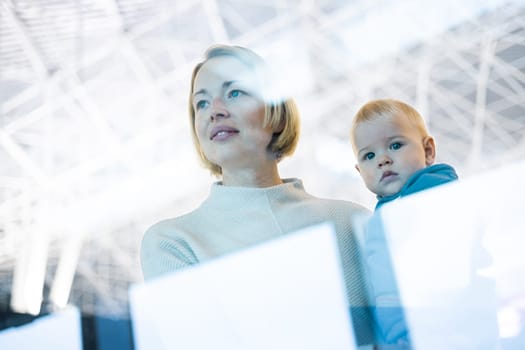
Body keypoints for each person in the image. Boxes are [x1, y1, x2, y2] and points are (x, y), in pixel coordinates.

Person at [141, 44, 375, 345]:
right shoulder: (172, 242)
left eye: (234, 93)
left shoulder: (350, 221)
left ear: (276, 113)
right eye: (201, 104)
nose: (215, 111)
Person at [350, 98, 459, 347]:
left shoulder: (436, 197)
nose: (383, 160)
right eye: (369, 155)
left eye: (395, 145)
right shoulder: (386, 213)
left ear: (428, 151)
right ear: (359, 171)